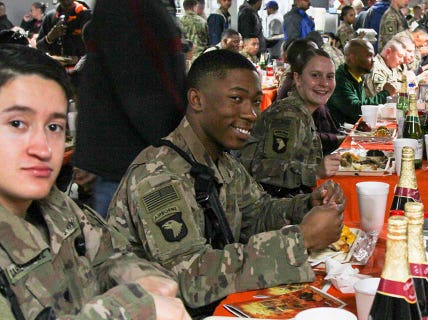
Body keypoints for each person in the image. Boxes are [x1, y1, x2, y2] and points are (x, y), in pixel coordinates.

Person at [109, 49, 345, 316]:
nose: (251, 114)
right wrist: (300, 240)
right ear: (197, 100)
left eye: (256, 102)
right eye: (236, 99)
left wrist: (306, 205)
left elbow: (257, 215)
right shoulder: (158, 176)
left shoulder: (223, 162)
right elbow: (189, 277)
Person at [0, 44, 190, 320]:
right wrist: (128, 310)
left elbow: (107, 256)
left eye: (54, 127)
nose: (43, 148)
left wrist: (139, 278)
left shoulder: (56, 208)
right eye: (17, 123)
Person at [74, 0, 185, 218]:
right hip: (134, 162)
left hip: (128, 160)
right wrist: (178, 145)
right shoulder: (128, 6)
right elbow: (144, 88)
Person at [239, 49, 341, 197]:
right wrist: (316, 171)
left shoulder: (302, 111)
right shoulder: (288, 116)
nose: (324, 83)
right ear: (297, 78)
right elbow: (264, 170)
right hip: (265, 207)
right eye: (315, 75)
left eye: (330, 76)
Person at [327, 39, 396, 125]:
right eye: (369, 56)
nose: (373, 60)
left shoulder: (358, 77)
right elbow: (357, 109)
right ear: (352, 58)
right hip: (341, 133)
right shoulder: (340, 81)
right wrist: (385, 93)